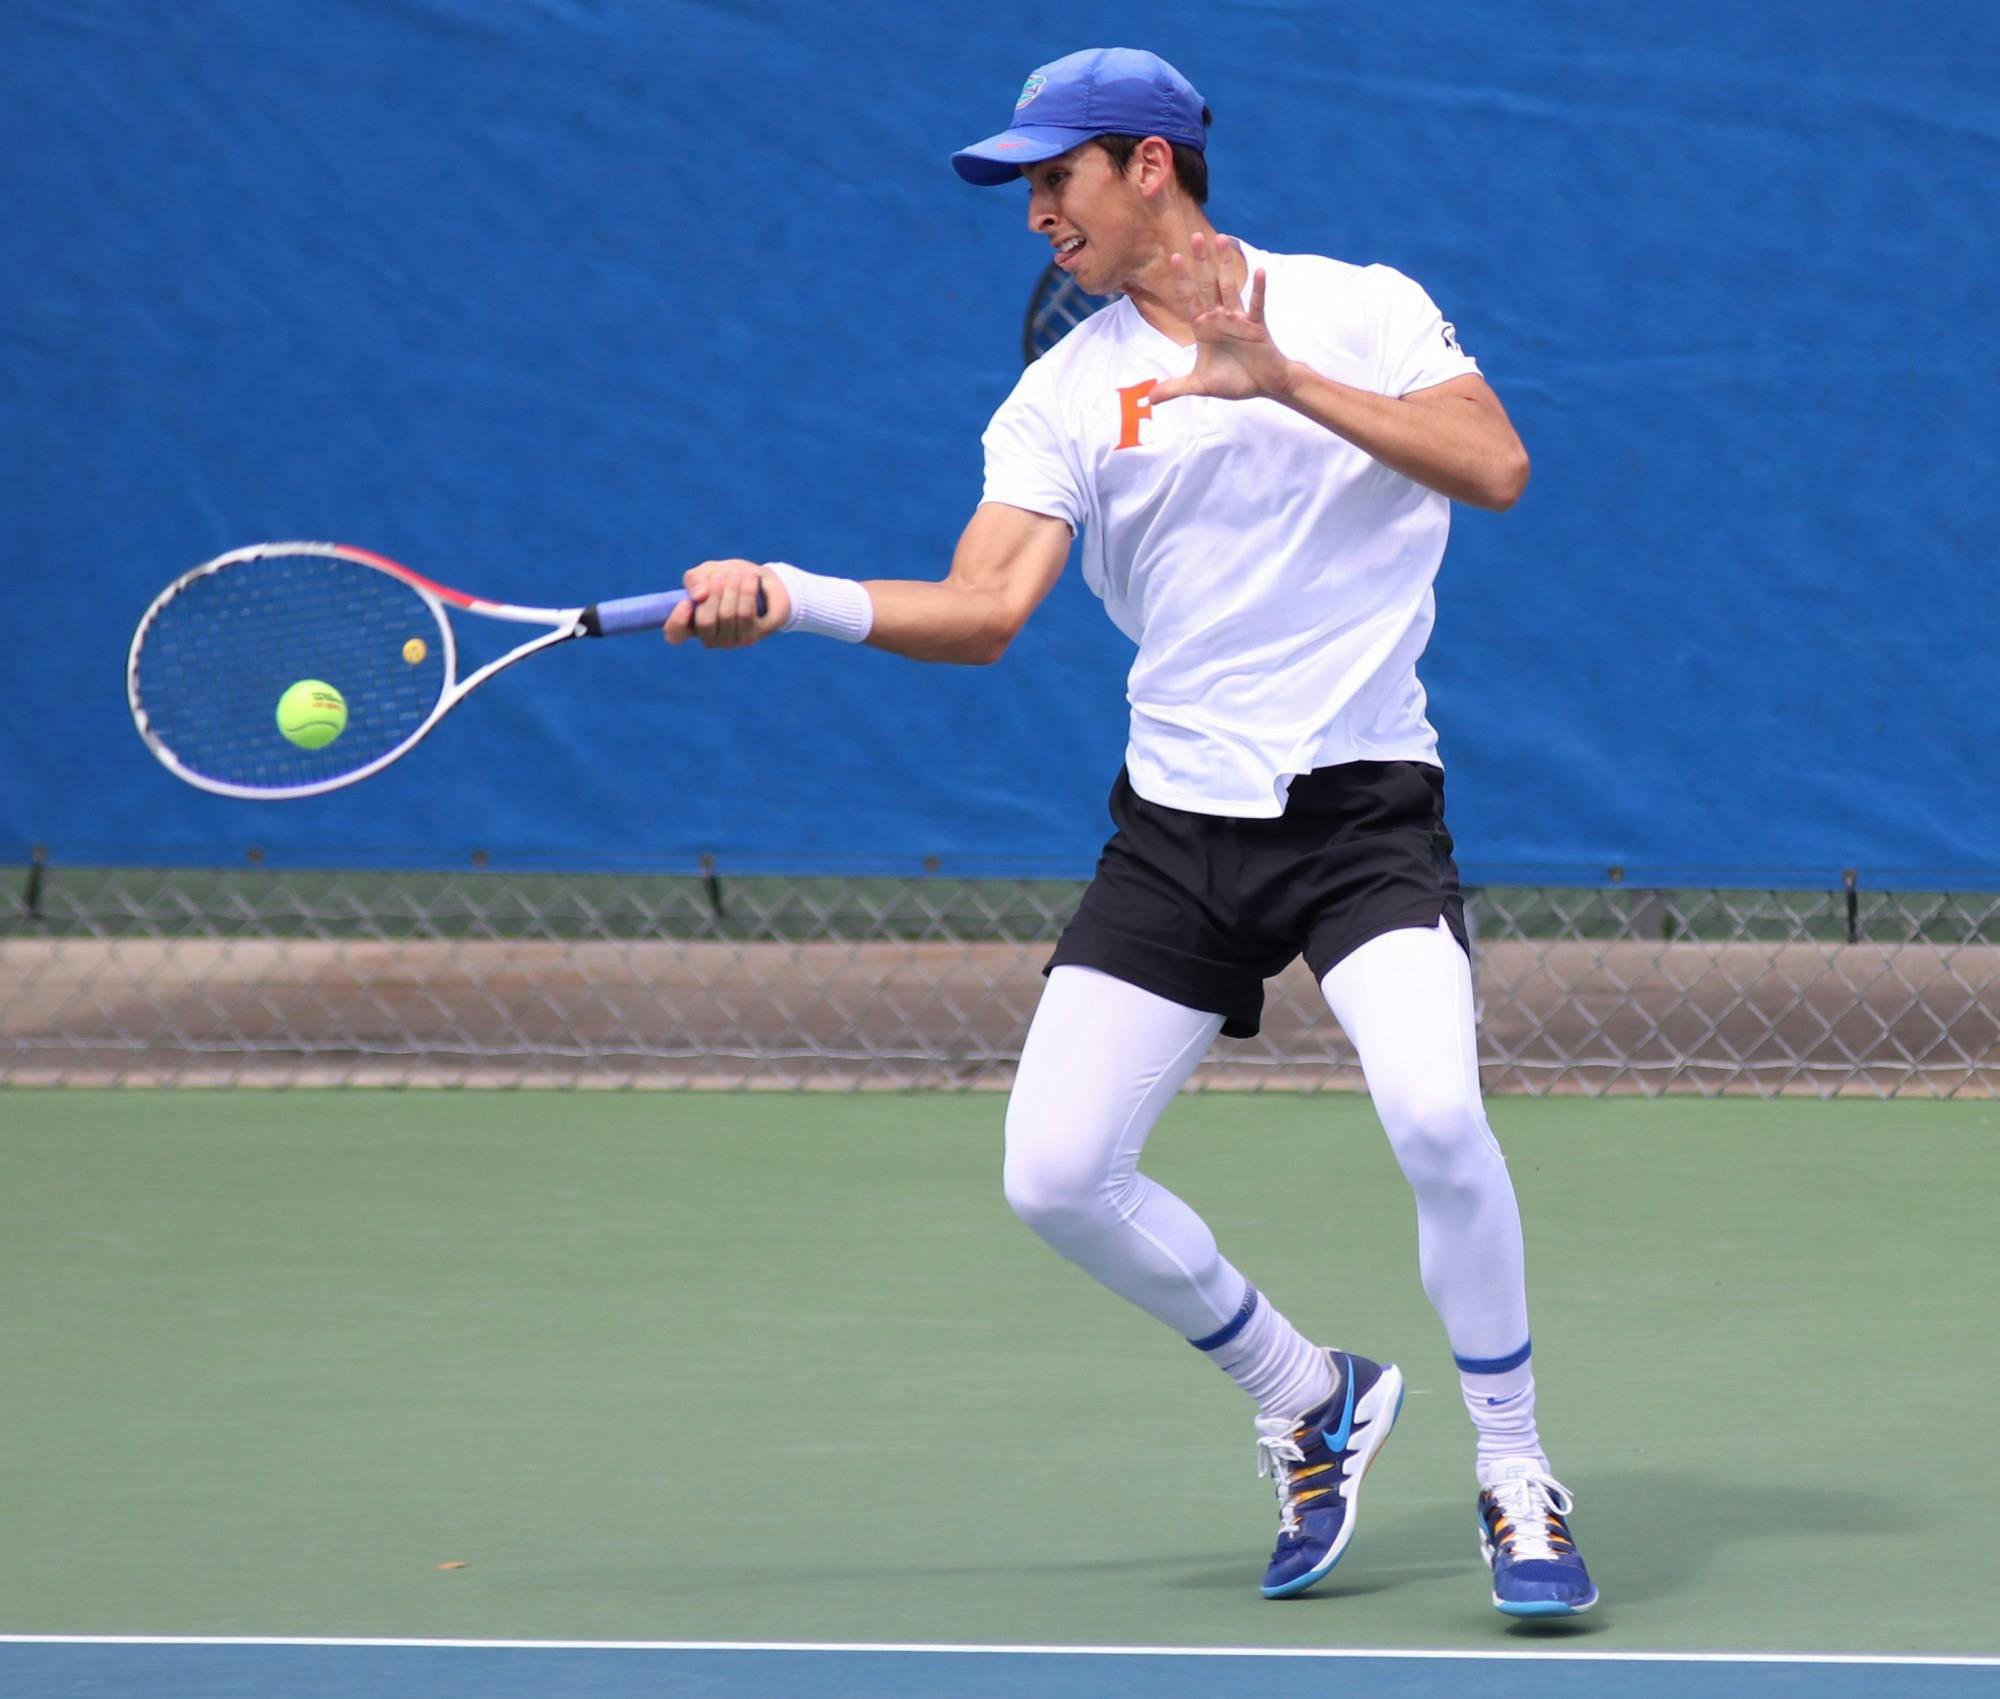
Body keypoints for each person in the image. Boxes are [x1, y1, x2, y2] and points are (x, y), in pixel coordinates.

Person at [664, 46, 1597, 1619]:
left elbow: (1496, 466)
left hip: (1364, 812)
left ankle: (1515, 1469)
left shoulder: (1362, 305)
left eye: (1055, 178)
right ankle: (1309, 1393)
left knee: (1437, 1119)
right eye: (1026, 187)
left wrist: (1284, 376)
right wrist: (795, 596)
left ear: (1148, 165)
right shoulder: (1060, 393)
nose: (1036, 213)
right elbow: (982, 609)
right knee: (1054, 1172)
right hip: (1178, 830)